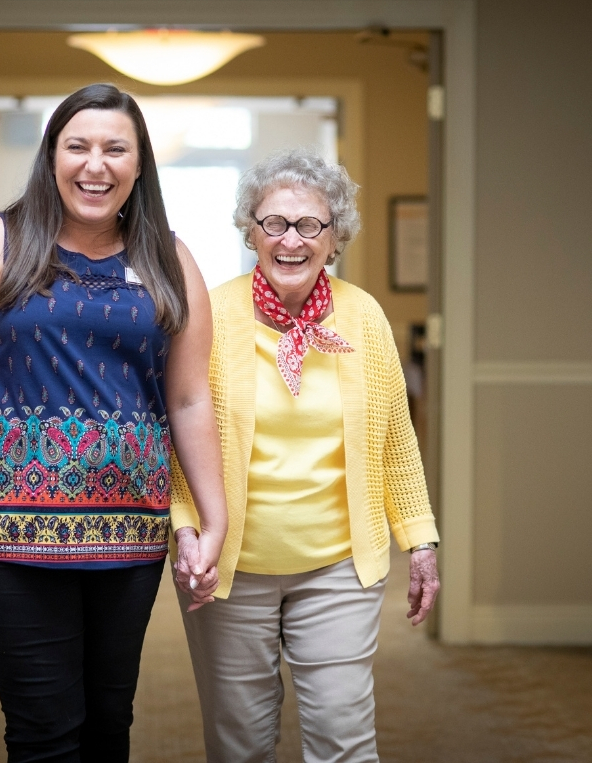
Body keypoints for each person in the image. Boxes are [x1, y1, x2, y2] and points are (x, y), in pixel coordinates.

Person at [0, 83, 227, 762]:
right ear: (52, 157)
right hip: (1, 532)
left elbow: (190, 398)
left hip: (128, 534)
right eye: (77, 146)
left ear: (140, 165)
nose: (95, 164)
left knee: (109, 725)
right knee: (45, 730)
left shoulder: (171, 259)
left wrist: (212, 516)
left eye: (116, 149)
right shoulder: (0, 242)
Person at [169, 148, 441, 763]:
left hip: (339, 566)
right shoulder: (209, 314)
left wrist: (419, 541)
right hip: (229, 570)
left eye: (310, 225)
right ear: (250, 230)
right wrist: (187, 531)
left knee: (344, 740)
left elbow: (396, 437)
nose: (291, 240)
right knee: (239, 744)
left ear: (335, 237)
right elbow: (179, 438)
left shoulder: (364, 318)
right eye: (274, 224)